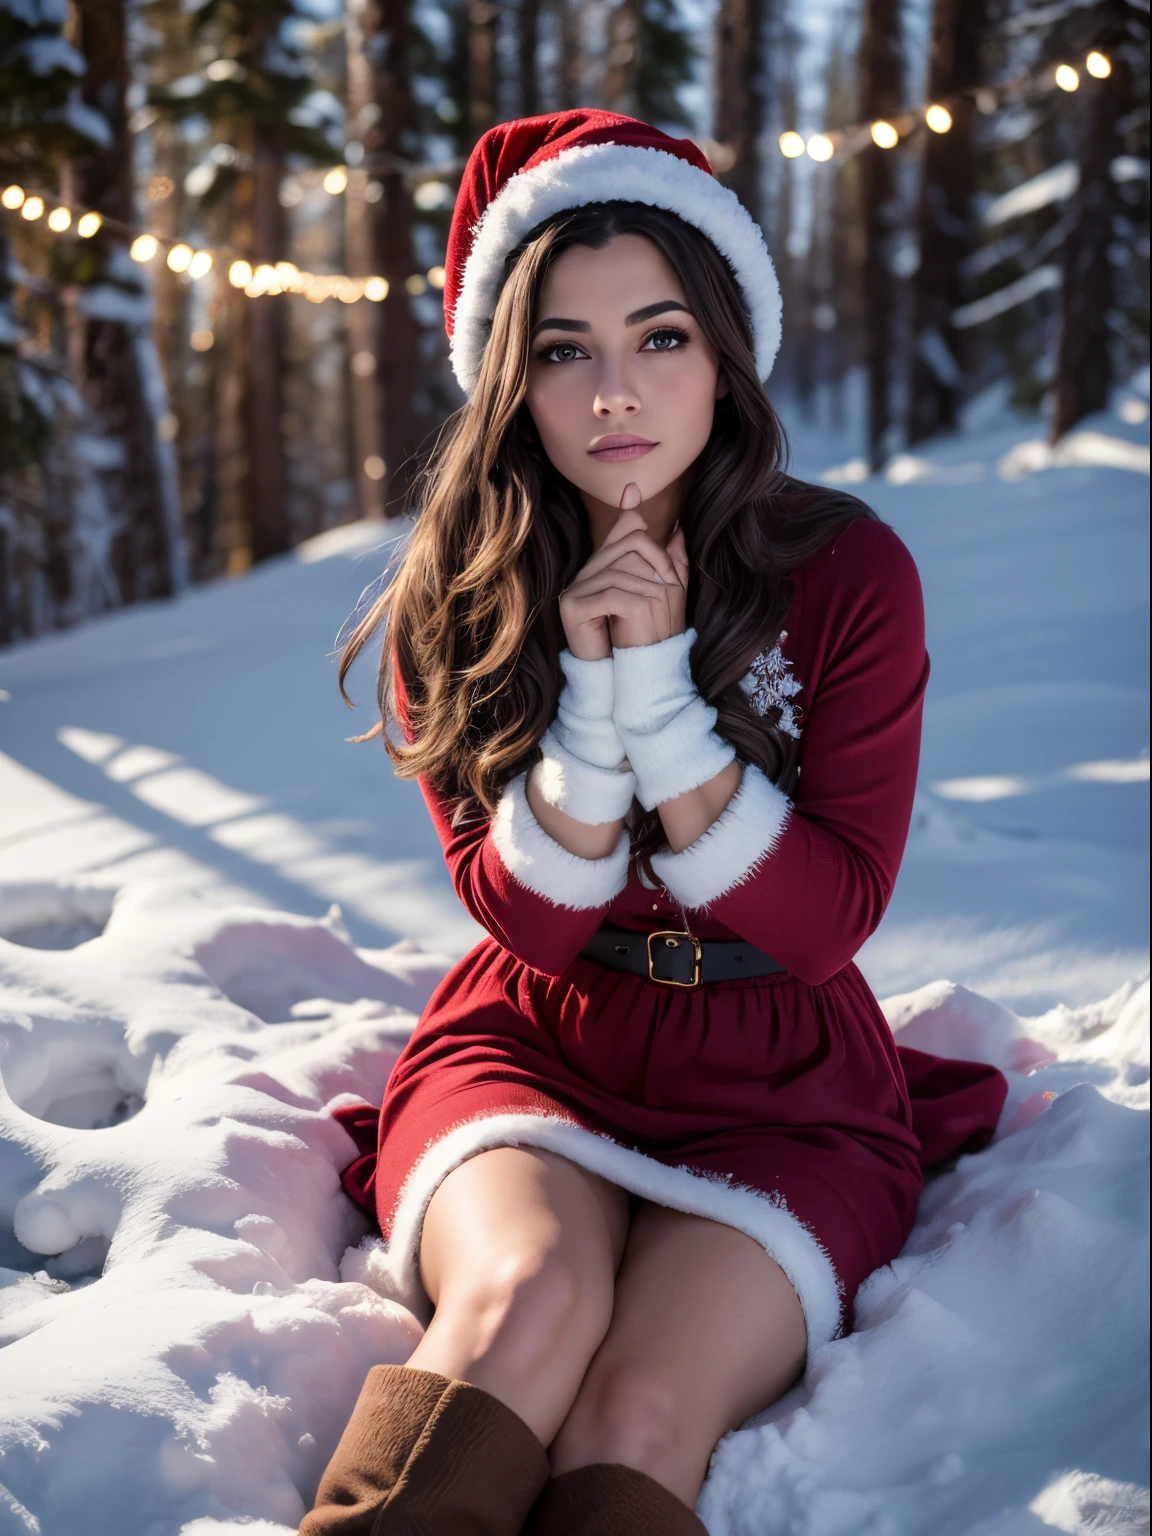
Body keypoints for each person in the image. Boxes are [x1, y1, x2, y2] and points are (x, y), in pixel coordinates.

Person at [300, 110, 1008, 1536]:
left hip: (784, 1078)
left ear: (727, 349)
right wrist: (585, 710)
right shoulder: (464, 589)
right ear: (512, 378)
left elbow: (826, 920)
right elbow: (535, 923)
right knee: (521, 1311)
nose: (615, 392)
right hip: (542, 1038)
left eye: (660, 336)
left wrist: (661, 704)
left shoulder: (849, 571)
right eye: (564, 348)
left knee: (636, 1406)